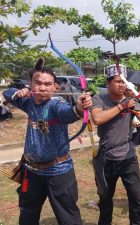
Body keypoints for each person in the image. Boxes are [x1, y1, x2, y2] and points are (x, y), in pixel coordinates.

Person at [2, 59, 92, 225]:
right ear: (31, 84)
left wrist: (80, 107)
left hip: (58, 172)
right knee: (27, 215)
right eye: (38, 83)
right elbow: (7, 93)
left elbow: (69, 114)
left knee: (68, 218)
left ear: (55, 87)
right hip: (32, 172)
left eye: (48, 84)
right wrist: (19, 92)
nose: (42, 88)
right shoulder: (28, 102)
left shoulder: (56, 103)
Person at [91, 64, 140, 225]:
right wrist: (122, 106)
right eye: (117, 81)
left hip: (128, 157)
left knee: (136, 199)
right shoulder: (99, 98)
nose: (121, 85)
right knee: (105, 200)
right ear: (107, 83)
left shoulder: (131, 100)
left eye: (124, 81)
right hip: (106, 158)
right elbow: (97, 119)